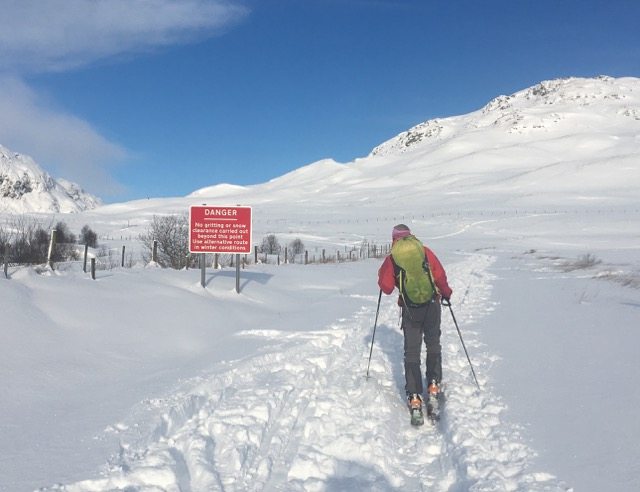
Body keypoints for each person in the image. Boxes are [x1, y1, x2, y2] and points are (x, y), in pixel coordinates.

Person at [377, 224, 452, 417]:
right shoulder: (424, 252)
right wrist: (446, 293)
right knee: (433, 343)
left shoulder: (393, 259)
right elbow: (440, 276)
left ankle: (415, 396)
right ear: (411, 236)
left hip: (411, 311)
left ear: (394, 239)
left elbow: (385, 288)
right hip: (432, 305)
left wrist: (383, 275)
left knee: (412, 352)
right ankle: (434, 385)